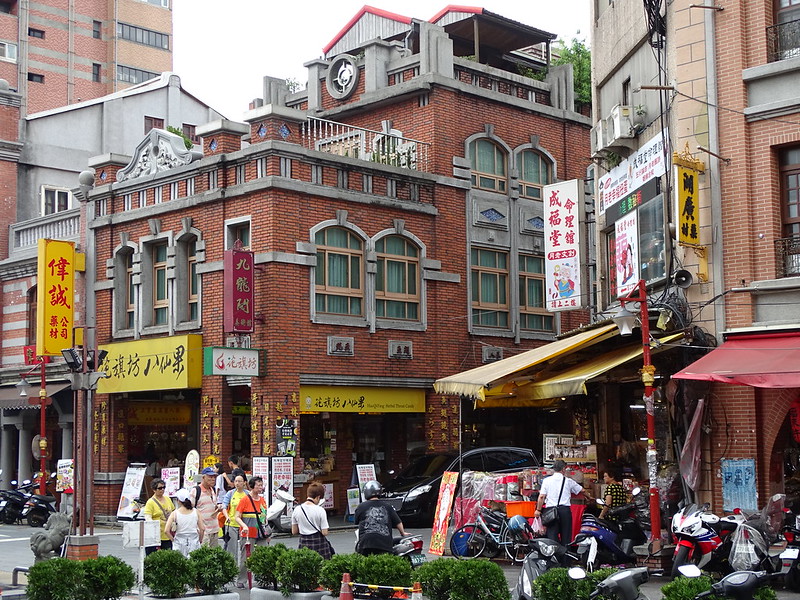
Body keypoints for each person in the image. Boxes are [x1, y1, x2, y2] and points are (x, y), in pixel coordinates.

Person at [534, 460, 586, 551]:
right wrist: (590, 498)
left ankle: (554, 558)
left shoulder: (546, 481)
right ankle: (565, 561)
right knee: (566, 536)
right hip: (564, 510)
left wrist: (538, 510)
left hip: (550, 511)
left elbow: (541, 496)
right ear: (563, 469)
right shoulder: (568, 481)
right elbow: (583, 491)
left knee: (552, 536)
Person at [234, 476, 270, 588]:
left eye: (261, 485)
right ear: (252, 486)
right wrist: (244, 526)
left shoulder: (262, 500)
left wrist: (268, 533)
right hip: (248, 533)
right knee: (245, 556)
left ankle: (262, 578)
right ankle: (241, 580)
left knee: (263, 556)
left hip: (261, 533)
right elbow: (237, 517)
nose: (261, 487)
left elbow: (264, 517)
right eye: (258, 485)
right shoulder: (244, 500)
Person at [354, 480, 406, 555]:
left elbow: (356, 521)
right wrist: (403, 533)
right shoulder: (388, 506)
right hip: (385, 545)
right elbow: (398, 522)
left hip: (366, 544)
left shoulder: (361, 506)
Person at [291, 481, 333, 559]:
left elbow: (294, 531)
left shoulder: (297, 509)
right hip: (319, 544)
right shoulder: (320, 510)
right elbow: (325, 532)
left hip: (303, 543)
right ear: (318, 497)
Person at [223, 472, 249, 577]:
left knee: (244, 549)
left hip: (244, 525)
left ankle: (242, 572)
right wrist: (227, 516)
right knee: (231, 548)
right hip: (231, 524)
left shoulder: (247, 494)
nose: (237, 483)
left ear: (244, 483)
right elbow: (224, 507)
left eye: (240, 481)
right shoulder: (230, 493)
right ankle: (232, 571)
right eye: (236, 481)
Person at [166, 488, 204, 557]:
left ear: (178, 501)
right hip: (194, 541)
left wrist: (173, 540)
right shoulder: (196, 512)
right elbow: (202, 529)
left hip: (179, 542)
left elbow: (166, 531)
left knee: (180, 563)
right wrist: (200, 540)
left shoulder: (175, 513)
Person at [141, 477, 174, 555]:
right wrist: (153, 525)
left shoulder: (167, 499)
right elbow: (147, 517)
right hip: (156, 535)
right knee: (154, 556)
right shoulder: (150, 502)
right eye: (160, 488)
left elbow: (173, 512)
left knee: (167, 556)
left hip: (167, 534)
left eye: (163, 487)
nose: (162, 490)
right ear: (154, 490)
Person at [192, 466, 221, 547]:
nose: (213, 479)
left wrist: (218, 508)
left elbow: (212, 506)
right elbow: (190, 510)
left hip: (214, 529)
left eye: (214, 477)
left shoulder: (213, 490)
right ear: (203, 477)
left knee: (214, 555)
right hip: (203, 531)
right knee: (204, 555)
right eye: (210, 477)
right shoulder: (196, 491)